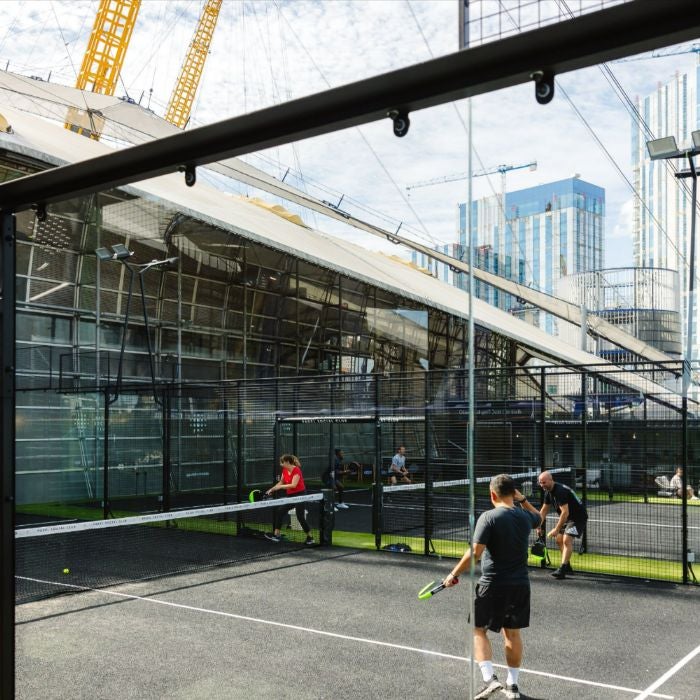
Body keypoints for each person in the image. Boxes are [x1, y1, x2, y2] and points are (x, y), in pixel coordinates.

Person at [443, 474, 542, 700]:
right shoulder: (525, 516)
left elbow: (475, 553)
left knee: (478, 629)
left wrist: (453, 574)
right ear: (513, 493)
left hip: (493, 584)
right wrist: (523, 499)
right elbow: (539, 517)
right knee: (512, 634)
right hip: (520, 585)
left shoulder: (488, 517)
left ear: (492, 494)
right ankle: (512, 686)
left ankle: (489, 680)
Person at [537, 470, 588, 579]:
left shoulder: (560, 491)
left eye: (544, 482)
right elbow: (544, 511)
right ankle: (568, 566)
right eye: (540, 483)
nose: (542, 485)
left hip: (578, 518)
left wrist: (556, 529)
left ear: (551, 480)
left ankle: (563, 569)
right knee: (559, 540)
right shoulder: (548, 492)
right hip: (568, 518)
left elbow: (565, 512)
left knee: (566, 540)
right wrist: (539, 525)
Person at [265, 454, 314, 545]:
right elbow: (281, 482)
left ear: (287, 462)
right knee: (280, 511)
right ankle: (276, 535)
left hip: (300, 495)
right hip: (290, 496)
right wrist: (272, 489)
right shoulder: (284, 470)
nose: (281, 464)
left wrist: (279, 488)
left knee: (300, 516)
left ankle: (310, 537)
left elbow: (293, 485)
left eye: (282, 462)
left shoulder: (296, 470)